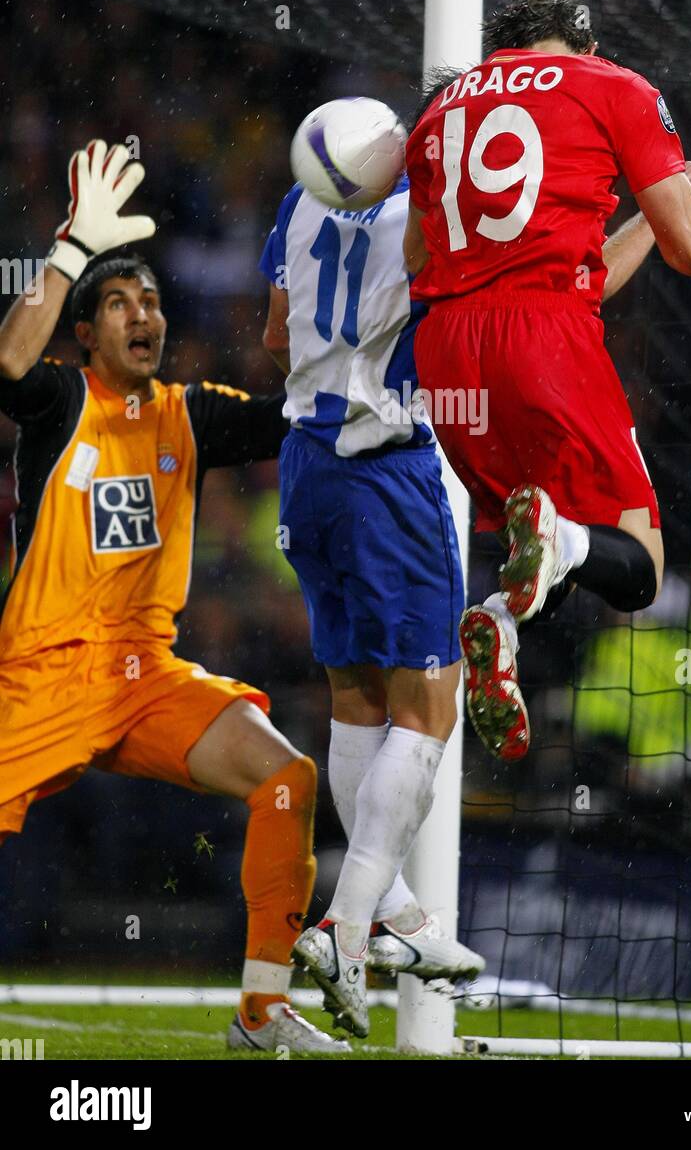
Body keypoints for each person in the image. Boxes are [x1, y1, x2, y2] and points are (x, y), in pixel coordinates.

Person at [403, 0, 691, 759]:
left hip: (446, 356)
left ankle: (500, 621)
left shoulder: (441, 109)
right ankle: (553, 550)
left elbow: (420, 261)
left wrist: (616, 230)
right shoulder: (612, 85)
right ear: (583, 43)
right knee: (637, 568)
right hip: (545, 345)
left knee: (542, 537)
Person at [0, 141, 346, 1055]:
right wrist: (73, 246)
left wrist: (351, 326)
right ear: (85, 333)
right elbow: (4, 361)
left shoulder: (189, 416)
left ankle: (262, 1016)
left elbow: (298, 416)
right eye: (116, 304)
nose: (140, 314)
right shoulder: (56, 403)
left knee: (286, 778)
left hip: (145, 677)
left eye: (150, 300)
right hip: (39, 676)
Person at [259, 168, 484, 1040]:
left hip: (304, 468)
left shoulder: (300, 199)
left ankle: (390, 911)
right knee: (429, 707)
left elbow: (277, 336)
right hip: (385, 469)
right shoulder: (432, 207)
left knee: (354, 699)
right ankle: (346, 928)